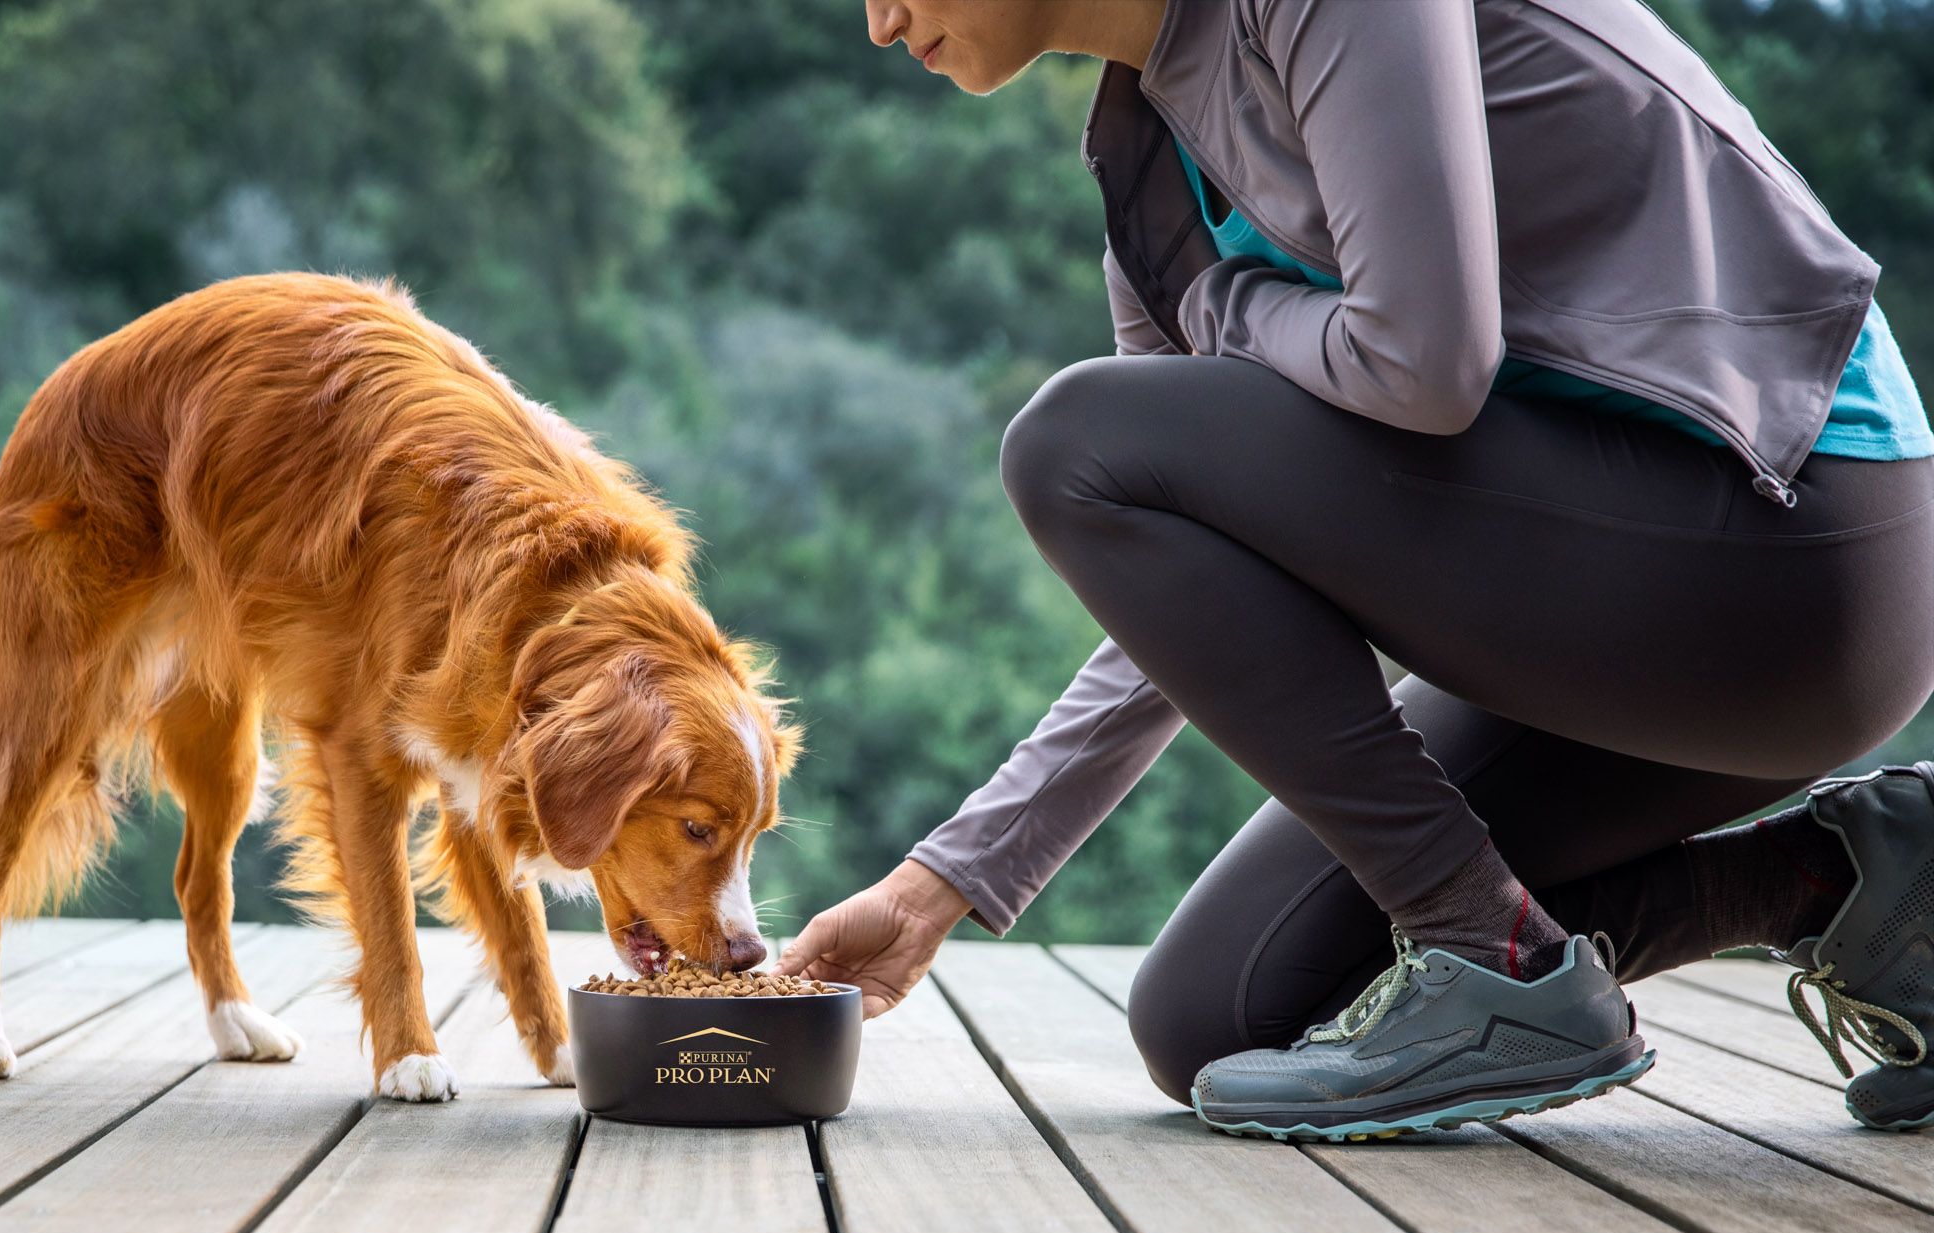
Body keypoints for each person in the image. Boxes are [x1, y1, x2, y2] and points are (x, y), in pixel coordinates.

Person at [781, 0, 1934, 1138]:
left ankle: (1488, 946)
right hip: (1608, 620)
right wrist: (945, 882)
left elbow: (1424, 363)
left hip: (1799, 553)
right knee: (1220, 1018)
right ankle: (1848, 881)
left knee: (1073, 436)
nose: (879, 24)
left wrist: (1223, 309)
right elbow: (1176, 585)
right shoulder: (1148, 168)